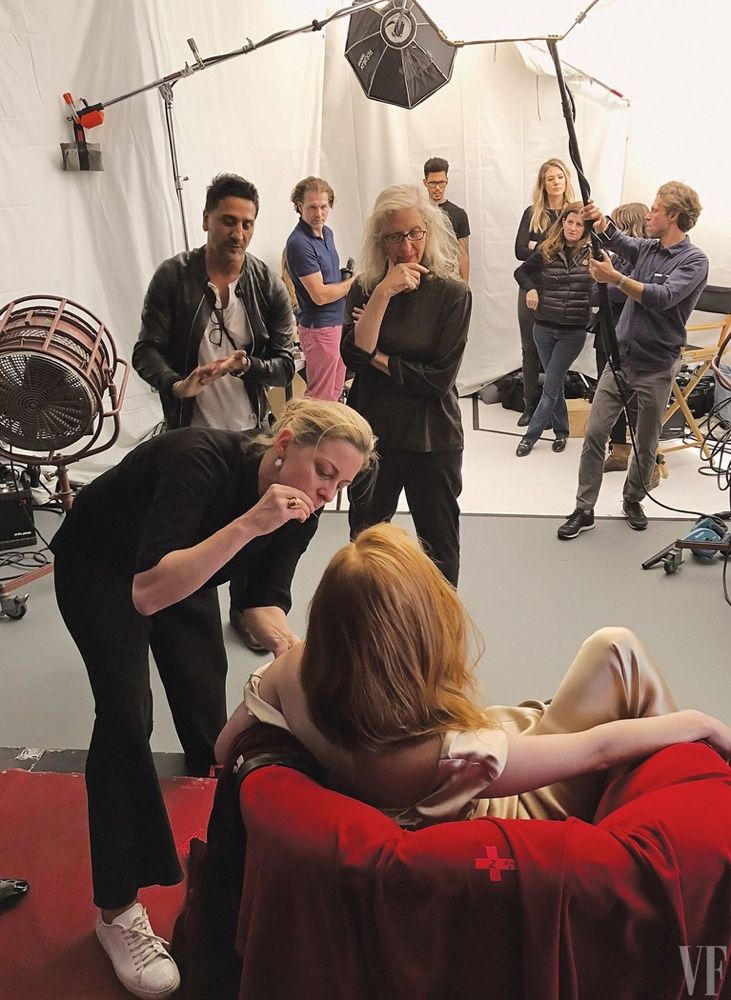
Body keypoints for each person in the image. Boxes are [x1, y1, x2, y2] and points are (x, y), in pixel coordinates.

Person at [50, 399, 375, 999]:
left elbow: (261, 604)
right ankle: (118, 908)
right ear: (284, 445)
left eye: (344, 482)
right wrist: (252, 522)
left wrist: (296, 653)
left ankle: (226, 869)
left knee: (211, 724)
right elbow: (147, 593)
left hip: (192, 569)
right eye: (323, 471)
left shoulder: (299, 512)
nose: (328, 492)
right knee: (126, 718)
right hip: (105, 565)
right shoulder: (199, 459)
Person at [216, 523, 731, 831]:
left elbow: (225, 748)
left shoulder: (292, 670)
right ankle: (683, 804)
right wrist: (701, 725)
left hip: (443, 780)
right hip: (495, 808)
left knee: (590, 674)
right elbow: (596, 750)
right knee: (616, 650)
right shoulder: (451, 750)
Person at [132, 173, 295, 652]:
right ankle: (178, 613)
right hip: (189, 437)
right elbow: (147, 350)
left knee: (254, 529)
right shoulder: (173, 276)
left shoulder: (266, 283)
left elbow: (287, 363)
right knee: (189, 529)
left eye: (247, 223)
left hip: (252, 437)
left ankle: (246, 609)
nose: (238, 233)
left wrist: (248, 366)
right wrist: (177, 384)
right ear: (206, 220)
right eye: (228, 220)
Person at [558, 182, 708, 539]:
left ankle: (632, 499)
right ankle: (584, 508)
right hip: (621, 360)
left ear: (672, 216)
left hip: (657, 366)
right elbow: (618, 240)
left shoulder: (694, 261)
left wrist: (615, 278)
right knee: (595, 433)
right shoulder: (647, 249)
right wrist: (599, 219)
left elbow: (662, 297)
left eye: (655, 209)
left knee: (646, 440)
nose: (648, 214)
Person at [341, 184, 471, 587]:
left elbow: (436, 381)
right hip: (372, 438)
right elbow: (351, 357)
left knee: (438, 552)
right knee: (364, 545)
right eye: (396, 236)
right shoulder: (366, 287)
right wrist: (382, 293)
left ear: (429, 232)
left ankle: (439, 634)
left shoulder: (452, 294)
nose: (408, 246)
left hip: (431, 439)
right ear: (380, 240)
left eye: (415, 233)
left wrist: (378, 356)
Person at [513, 202, 593, 456]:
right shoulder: (548, 248)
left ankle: (530, 436)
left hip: (573, 331)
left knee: (551, 384)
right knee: (554, 384)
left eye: (579, 224)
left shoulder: (594, 254)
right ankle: (562, 431)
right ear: (562, 223)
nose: (572, 227)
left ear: (586, 228)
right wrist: (532, 288)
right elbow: (521, 271)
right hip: (543, 327)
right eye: (569, 222)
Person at [514, 159, 576, 427]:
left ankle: (552, 408)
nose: (555, 182)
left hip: (561, 290)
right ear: (543, 183)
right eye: (550, 178)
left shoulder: (573, 213)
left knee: (555, 353)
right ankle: (529, 405)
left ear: (566, 180)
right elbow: (519, 251)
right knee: (530, 348)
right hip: (530, 286)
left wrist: (537, 244)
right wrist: (552, 246)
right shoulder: (532, 213)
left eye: (559, 177)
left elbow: (573, 249)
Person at [285, 176, 355, 401]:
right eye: (312, 207)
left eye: (324, 206)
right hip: (319, 329)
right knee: (320, 397)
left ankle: (329, 436)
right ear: (299, 206)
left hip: (336, 323)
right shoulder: (299, 243)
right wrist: (352, 283)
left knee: (334, 392)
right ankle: (312, 437)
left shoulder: (328, 233)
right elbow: (320, 295)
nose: (319, 213)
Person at [591, 202, 647, 474]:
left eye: (619, 224)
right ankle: (618, 449)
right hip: (607, 327)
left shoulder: (643, 258)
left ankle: (644, 455)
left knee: (634, 396)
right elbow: (597, 291)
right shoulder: (619, 258)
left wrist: (610, 281)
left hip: (630, 334)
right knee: (608, 386)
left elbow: (619, 293)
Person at [423, 157, 471, 282]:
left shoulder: (459, 214)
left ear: (447, 181)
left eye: (441, 182)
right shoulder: (418, 212)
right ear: (425, 182)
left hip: (451, 278)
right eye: (433, 183)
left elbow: (463, 253)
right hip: (424, 277)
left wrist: (465, 285)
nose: (438, 188)